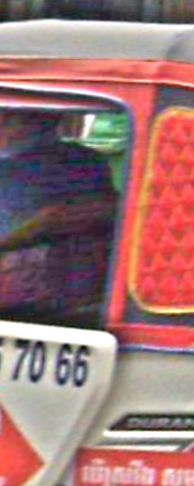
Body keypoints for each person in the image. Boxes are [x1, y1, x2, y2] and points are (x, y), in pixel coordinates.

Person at [0, 109, 116, 324]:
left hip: (36, 293)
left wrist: (43, 224)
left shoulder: (12, 169)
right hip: (83, 293)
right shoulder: (87, 159)